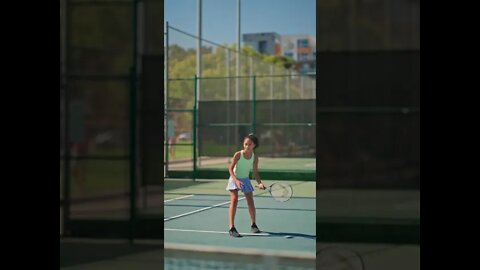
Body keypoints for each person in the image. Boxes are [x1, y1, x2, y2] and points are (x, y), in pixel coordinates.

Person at [226, 133, 266, 237]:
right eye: (245, 144)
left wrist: (260, 183)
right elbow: (230, 169)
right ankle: (232, 228)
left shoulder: (255, 157)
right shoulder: (238, 154)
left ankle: (253, 225)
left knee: (250, 201)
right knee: (234, 200)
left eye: (249, 144)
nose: (247, 146)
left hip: (245, 179)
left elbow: (255, 172)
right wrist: (236, 181)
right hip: (234, 178)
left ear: (254, 145)